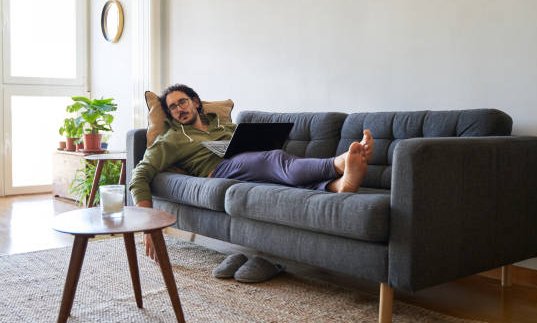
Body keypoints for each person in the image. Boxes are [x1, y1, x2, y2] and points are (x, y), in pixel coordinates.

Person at [130, 84, 373, 260]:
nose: (178, 109)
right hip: (220, 170)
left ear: (195, 101)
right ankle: (337, 164)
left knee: (275, 169)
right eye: (172, 107)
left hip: (247, 163)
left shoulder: (224, 125)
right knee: (274, 159)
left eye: (182, 101)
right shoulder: (171, 139)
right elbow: (140, 174)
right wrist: (148, 224)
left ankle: (336, 186)